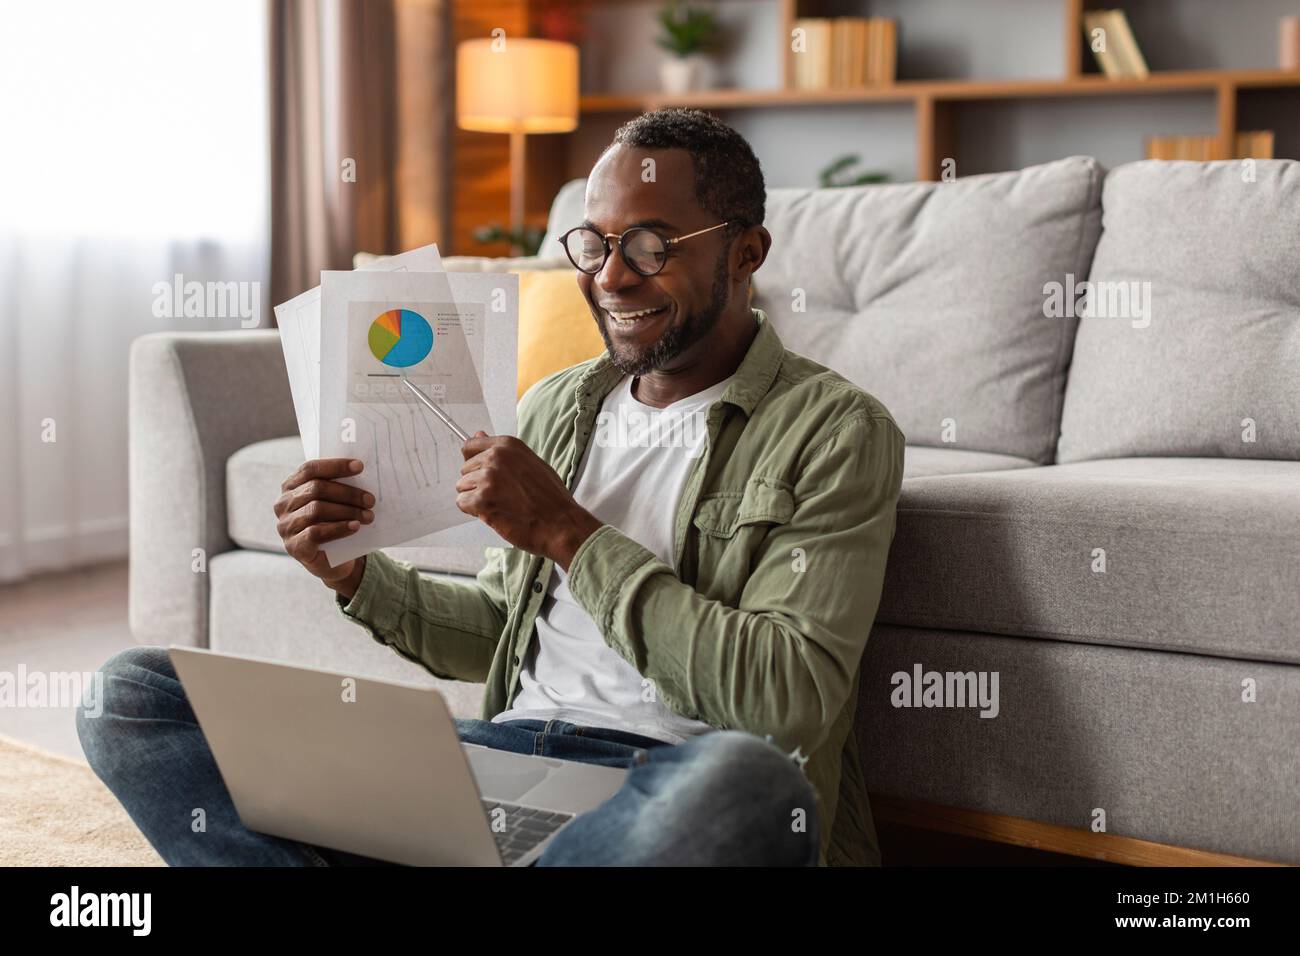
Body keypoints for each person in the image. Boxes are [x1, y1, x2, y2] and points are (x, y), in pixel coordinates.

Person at [79, 107, 905, 866]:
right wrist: (356, 576)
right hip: (492, 764)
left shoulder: (835, 432)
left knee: (749, 787)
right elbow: (497, 630)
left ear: (746, 252)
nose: (611, 278)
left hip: (657, 789)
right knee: (134, 694)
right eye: (595, 244)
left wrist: (567, 533)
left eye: (651, 245)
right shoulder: (557, 406)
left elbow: (787, 698)